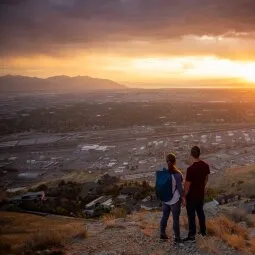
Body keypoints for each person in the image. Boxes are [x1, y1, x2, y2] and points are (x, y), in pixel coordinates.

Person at [182, 146, 210, 242]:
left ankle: (192, 235)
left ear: (191, 155)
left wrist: (184, 196)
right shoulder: (205, 165)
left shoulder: (190, 169)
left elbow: (187, 185)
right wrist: (202, 187)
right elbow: (206, 179)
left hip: (191, 196)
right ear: (199, 154)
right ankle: (203, 232)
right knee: (200, 213)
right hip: (200, 194)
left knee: (191, 216)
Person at [160, 153, 184, 244]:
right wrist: (183, 199)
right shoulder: (177, 174)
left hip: (165, 200)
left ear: (167, 162)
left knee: (164, 217)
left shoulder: (163, 173)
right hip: (175, 200)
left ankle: (162, 234)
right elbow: (180, 189)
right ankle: (177, 238)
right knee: (175, 219)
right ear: (175, 162)